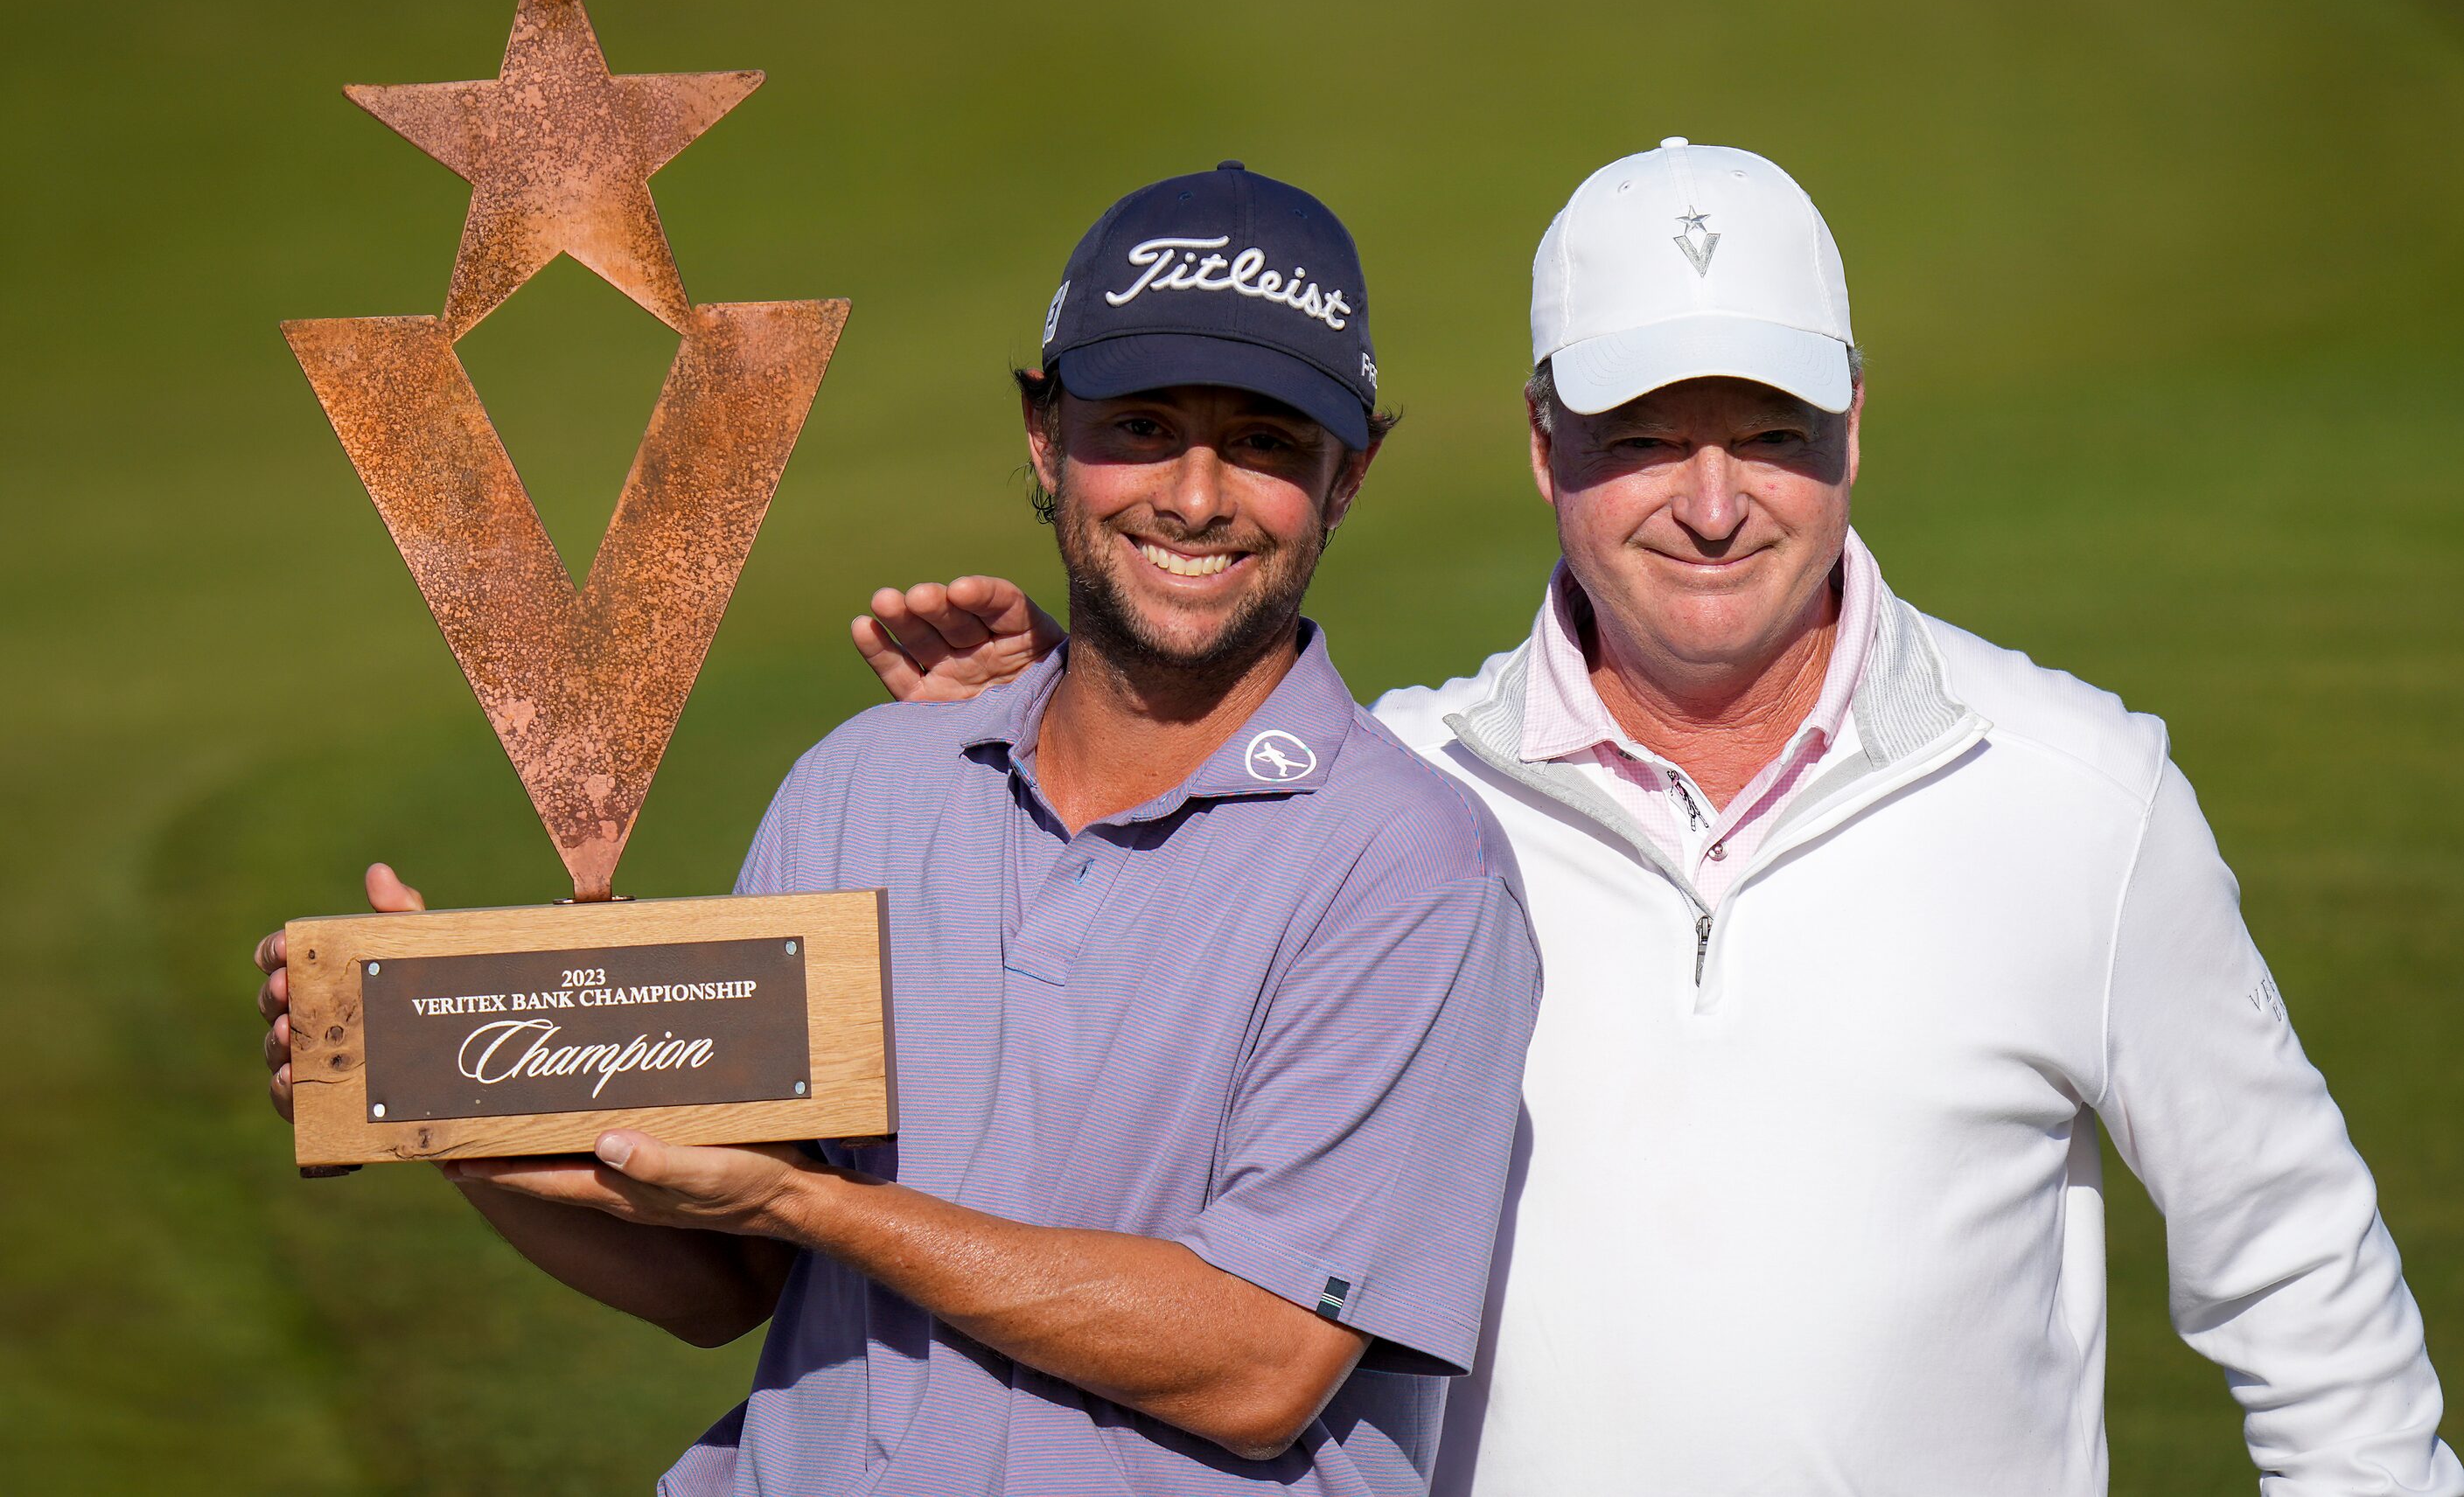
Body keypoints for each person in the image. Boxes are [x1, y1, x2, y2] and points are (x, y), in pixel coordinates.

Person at [855, 139, 2461, 1494]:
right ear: (1545, 444)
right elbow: (1097, 1133)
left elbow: (2310, 1301)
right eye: (1640, 441)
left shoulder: (2078, 796)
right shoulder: (1387, 816)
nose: (1709, 504)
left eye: (1767, 434)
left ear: (1853, 422)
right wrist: (1069, 721)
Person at [252, 162, 1541, 1496]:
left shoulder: (1412, 869)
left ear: (1350, 476)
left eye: (1266, 441)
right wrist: (452, 1101)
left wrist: (820, 1209)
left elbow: (1258, 1361)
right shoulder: (863, 784)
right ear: (1045, 436)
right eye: (1142, 425)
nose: (1197, 496)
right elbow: (724, 1275)